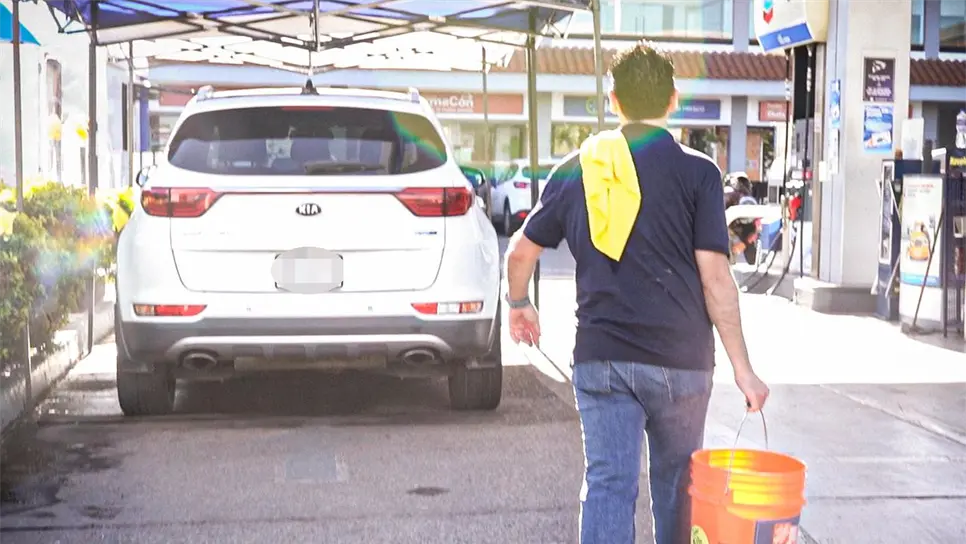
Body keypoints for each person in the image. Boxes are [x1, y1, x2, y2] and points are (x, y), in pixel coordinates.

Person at [503, 42, 770, 544]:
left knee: (608, 485)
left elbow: (520, 252)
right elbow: (716, 279)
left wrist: (519, 305)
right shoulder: (699, 173)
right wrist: (744, 369)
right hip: (683, 363)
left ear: (613, 100)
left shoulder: (581, 167)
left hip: (602, 359)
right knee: (676, 488)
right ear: (673, 100)